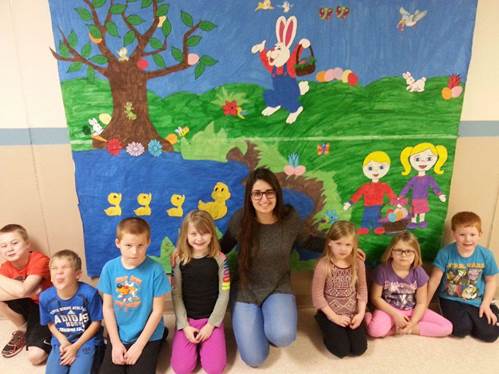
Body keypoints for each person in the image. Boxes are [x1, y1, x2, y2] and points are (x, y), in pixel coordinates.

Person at [220, 167, 325, 367]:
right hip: (245, 289)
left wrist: (340, 246)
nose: (264, 199)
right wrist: (188, 251)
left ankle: (269, 321)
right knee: (254, 358)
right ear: (250, 197)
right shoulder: (240, 220)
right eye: (257, 193)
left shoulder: (290, 219)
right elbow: (222, 247)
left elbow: (307, 241)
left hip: (278, 286)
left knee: (283, 336)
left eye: (269, 192)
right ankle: (253, 320)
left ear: (277, 193)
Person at [98, 217, 170, 373]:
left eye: (140, 245)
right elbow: (108, 308)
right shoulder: (110, 268)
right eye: (128, 245)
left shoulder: (156, 270)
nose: (134, 252)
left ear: (148, 243)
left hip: (148, 335)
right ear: (118, 243)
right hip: (120, 333)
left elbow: (157, 311)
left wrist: (139, 346)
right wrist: (116, 343)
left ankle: (161, 336)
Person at [171, 210, 230, 374]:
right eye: (194, 233)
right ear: (186, 235)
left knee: (215, 368)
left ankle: (208, 343)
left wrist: (211, 325)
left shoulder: (220, 259)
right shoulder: (178, 260)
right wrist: (184, 325)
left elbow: (224, 294)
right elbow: (176, 295)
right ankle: (190, 344)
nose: (199, 238)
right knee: (182, 369)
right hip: (187, 320)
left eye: (204, 233)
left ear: (212, 234)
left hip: (211, 320)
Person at [427, 211, 499, 342]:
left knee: (490, 335)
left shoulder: (486, 255)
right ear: (454, 234)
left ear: (480, 235)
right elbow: (434, 280)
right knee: (460, 330)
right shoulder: (445, 253)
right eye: (462, 235)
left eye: (472, 234)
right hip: (450, 299)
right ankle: (469, 319)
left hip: (475, 300)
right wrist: (424, 304)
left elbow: (491, 281)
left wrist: (486, 304)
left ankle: (493, 308)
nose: (468, 239)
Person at [367, 231, 452, 338]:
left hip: (412, 311)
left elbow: (421, 303)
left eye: (409, 251)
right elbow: (375, 298)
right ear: (391, 252)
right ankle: (370, 317)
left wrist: (412, 323)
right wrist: (395, 315)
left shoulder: (419, 272)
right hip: (389, 311)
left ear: (416, 253)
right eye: (399, 250)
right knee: (374, 331)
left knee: (447, 327)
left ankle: (400, 330)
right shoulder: (382, 270)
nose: (404, 255)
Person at [39, 249, 103, 373]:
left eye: (64, 268)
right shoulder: (45, 297)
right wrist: (63, 341)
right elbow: (50, 323)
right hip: (62, 340)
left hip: (86, 341)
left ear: (77, 274)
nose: (59, 272)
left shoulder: (89, 294)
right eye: (54, 268)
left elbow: (96, 323)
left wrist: (75, 347)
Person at [311, 220, 368, 358]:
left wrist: (360, 314)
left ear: (354, 245)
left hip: (352, 312)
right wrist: (334, 317)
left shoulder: (358, 263)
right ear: (330, 242)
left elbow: (362, 289)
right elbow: (317, 296)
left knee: (359, 349)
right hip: (330, 313)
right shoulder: (323, 265)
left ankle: (345, 329)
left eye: (348, 244)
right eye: (338, 243)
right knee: (341, 350)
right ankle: (322, 321)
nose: (343, 249)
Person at [0, 224, 52, 364]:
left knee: (35, 357)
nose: (9, 249)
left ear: (27, 244)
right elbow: (25, 291)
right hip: (29, 305)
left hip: (46, 307)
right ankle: (23, 331)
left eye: (14, 243)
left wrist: (24, 291)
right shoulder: (5, 268)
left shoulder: (39, 260)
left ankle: (53, 334)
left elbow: (24, 290)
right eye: (3, 246)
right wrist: (27, 292)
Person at [343, 151, 397, 235]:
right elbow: (357, 195)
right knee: (366, 218)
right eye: (370, 168)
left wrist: (396, 202)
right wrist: (349, 203)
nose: (375, 171)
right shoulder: (365, 186)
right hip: (367, 206)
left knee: (377, 217)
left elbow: (391, 194)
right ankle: (364, 227)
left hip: (378, 206)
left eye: (381, 167)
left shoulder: (384, 186)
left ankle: (378, 227)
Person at [399, 142, 448, 229]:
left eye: (429, 158)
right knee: (414, 211)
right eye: (417, 159)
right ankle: (413, 222)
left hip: (423, 199)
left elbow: (435, 187)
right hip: (415, 199)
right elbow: (406, 188)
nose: (422, 161)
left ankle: (421, 221)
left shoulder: (429, 178)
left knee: (422, 211)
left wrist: (440, 195)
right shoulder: (414, 179)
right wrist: (401, 197)